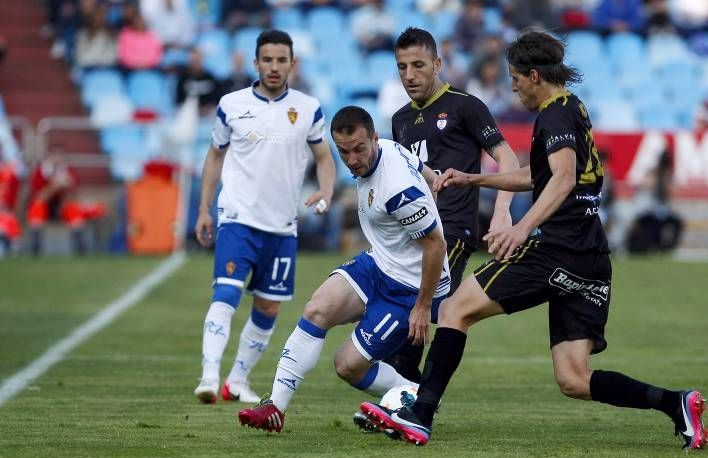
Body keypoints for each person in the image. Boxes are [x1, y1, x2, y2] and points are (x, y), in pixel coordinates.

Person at [359, 31, 708, 450]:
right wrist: (475, 178)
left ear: (535, 75)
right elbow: (537, 175)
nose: (512, 87)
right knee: (573, 379)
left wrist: (521, 228)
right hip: (590, 256)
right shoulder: (572, 108)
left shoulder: (555, 114)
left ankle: (420, 415)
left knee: (453, 309)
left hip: (556, 249)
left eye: (515, 78)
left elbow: (560, 180)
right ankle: (677, 404)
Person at [237, 106, 449, 432]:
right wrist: (434, 179)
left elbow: (435, 246)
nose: (352, 159)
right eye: (344, 151)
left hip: (408, 284)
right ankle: (275, 409)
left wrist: (422, 306)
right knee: (317, 308)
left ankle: (420, 399)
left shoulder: (398, 192)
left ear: (374, 139)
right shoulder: (391, 146)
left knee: (347, 366)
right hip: (379, 262)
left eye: (359, 149)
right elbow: (422, 167)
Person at [192, 30, 336, 404]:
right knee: (226, 294)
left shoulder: (309, 108)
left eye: (281, 60)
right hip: (238, 217)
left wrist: (327, 189)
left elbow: (323, 157)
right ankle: (209, 376)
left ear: (293, 64)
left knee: (268, 307)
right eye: (267, 60)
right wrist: (204, 209)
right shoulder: (231, 104)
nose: (274, 66)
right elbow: (215, 156)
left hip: (283, 227)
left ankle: (237, 379)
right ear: (256, 63)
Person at [376, 27, 519, 393]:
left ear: (437, 63)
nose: (410, 75)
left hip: (452, 231)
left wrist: (503, 211)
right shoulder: (400, 120)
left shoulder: (464, 106)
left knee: (416, 310)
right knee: (410, 315)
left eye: (418, 65)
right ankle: (413, 397)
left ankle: (410, 399)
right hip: (410, 234)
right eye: (402, 67)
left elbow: (506, 156)